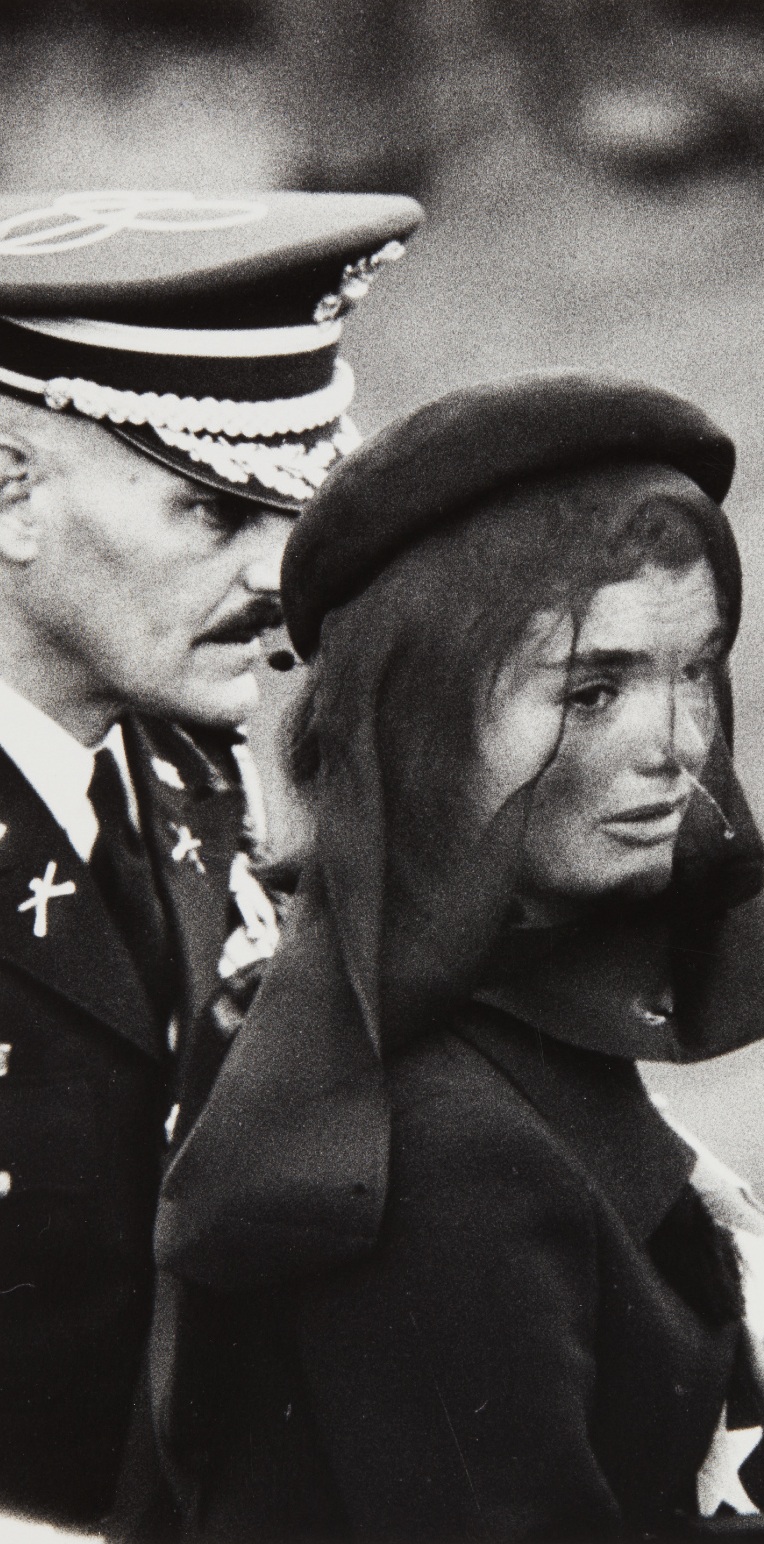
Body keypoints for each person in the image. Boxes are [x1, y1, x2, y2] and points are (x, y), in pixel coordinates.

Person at [153, 373, 764, 1541]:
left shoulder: (470, 1023)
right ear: (419, 723)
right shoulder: (437, 1148)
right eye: (592, 689)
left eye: (694, 670)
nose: (674, 744)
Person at [0, 187, 423, 1529]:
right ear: (9, 491)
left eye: (290, 507)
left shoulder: (192, 762)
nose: (281, 579)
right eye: (210, 510)